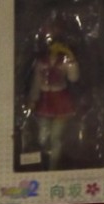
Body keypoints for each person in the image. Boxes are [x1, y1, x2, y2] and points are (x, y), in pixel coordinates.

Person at [28, 18, 79, 169]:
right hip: (44, 100)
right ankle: (42, 163)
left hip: (61, 100)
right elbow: (36, 82)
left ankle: (53, 166)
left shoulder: (65, 61)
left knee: (56, 137)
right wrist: (33, 98)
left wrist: (71, 60)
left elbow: (73, 78)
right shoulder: (41, 62)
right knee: (43, 136)